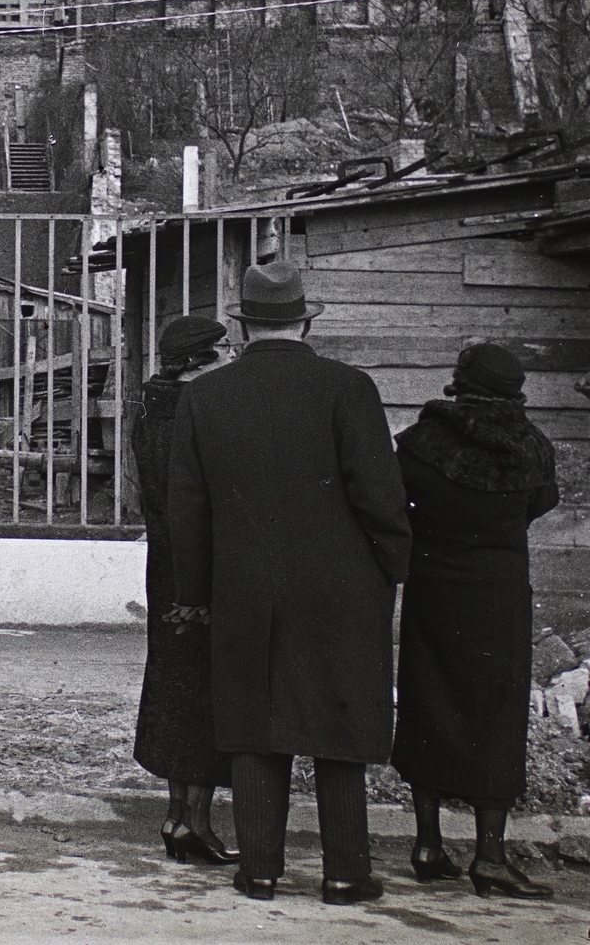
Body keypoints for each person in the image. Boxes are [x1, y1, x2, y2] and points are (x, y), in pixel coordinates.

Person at [168, 260, 410, 905]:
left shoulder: (204, 395)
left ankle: (260, 873)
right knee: (339, 726)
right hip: (343, 586)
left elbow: (187, 509)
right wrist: (394, 566)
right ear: (305, 320)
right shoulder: (348, 388)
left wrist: (195, 594)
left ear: (245, 327)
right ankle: (345, 875)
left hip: (245, 588)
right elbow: (379, 496)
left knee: (254, 725)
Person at [391, 343, 559, 900]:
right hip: (499, 594)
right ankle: (490, 856)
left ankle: (428, 844)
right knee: (496, 712)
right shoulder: (532, 448)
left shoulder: (418, 445)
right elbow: (541, 503)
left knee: (427, 702)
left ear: (457, 384)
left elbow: (397, 504)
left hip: (433, 588)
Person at [131, 313, 238, 866]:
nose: (230, 362)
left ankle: (176, 817)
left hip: (164, 562)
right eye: (222, 355)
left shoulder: (150, 404)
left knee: (173, 684)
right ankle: (196, 823)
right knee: (204, 692)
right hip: (202, 566)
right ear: (201, 363)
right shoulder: (199, 410)